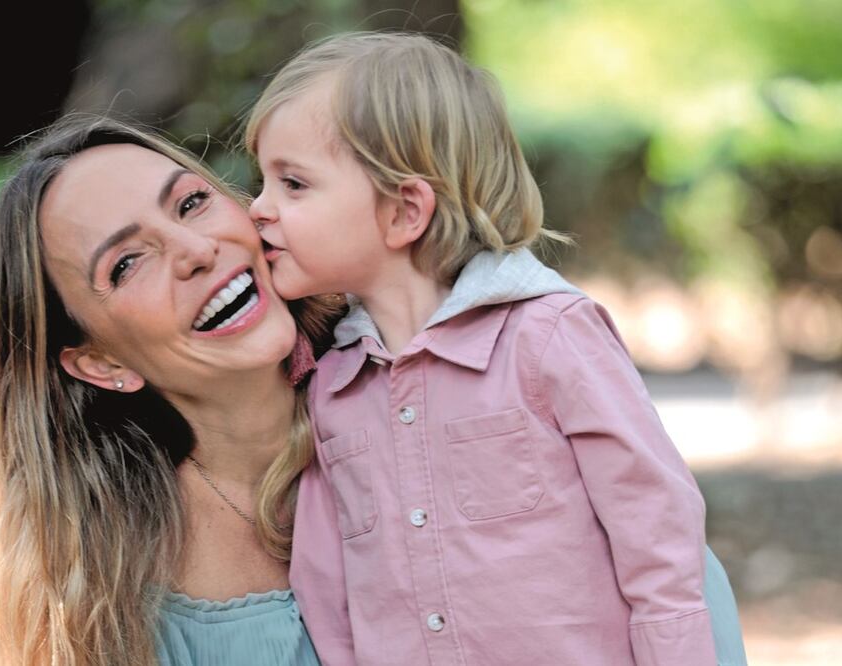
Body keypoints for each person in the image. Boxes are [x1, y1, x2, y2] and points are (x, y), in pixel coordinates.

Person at [246, 32, 748, 665]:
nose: (257, 209)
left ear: (405, 211)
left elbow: (657, 534)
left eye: (293, 184)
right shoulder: (332, 386)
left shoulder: (549, 337)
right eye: (261, 181)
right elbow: (326, 588)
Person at [0, 115, 341, 666]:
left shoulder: (429, 378)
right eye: (127, 264)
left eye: (190, 203)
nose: (196, 249)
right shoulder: (110, 606)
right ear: (100, 362)